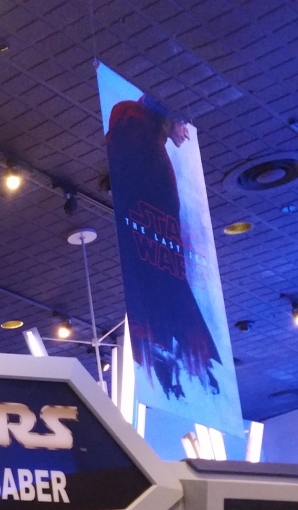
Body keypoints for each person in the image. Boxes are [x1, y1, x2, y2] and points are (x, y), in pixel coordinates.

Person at [105, 94, 220, 400]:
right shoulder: (135, 122)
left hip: (154, 225)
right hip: (149, 224)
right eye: (181, 125)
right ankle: (177, 358)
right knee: (159, 282)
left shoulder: (139, 128)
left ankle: (177, 358)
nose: (184, 133)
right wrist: (173, 120)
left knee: (161, 281)